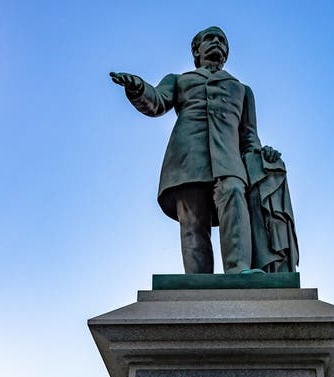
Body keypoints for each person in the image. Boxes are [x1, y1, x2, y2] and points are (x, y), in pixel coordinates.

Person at [110, 26, 289, 274]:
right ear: (197, 49)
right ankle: (197, 279)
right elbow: (157, 101)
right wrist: (138, 88)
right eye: (210, 38)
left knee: (234, 193)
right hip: (187, 158)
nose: (216, 42)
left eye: (222, 40)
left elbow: (249, 136)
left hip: (229, 160)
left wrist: (262, 154)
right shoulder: (179, 80)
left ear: (226, 52)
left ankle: (238, 269)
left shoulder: (242, 90)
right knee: (193, 219)